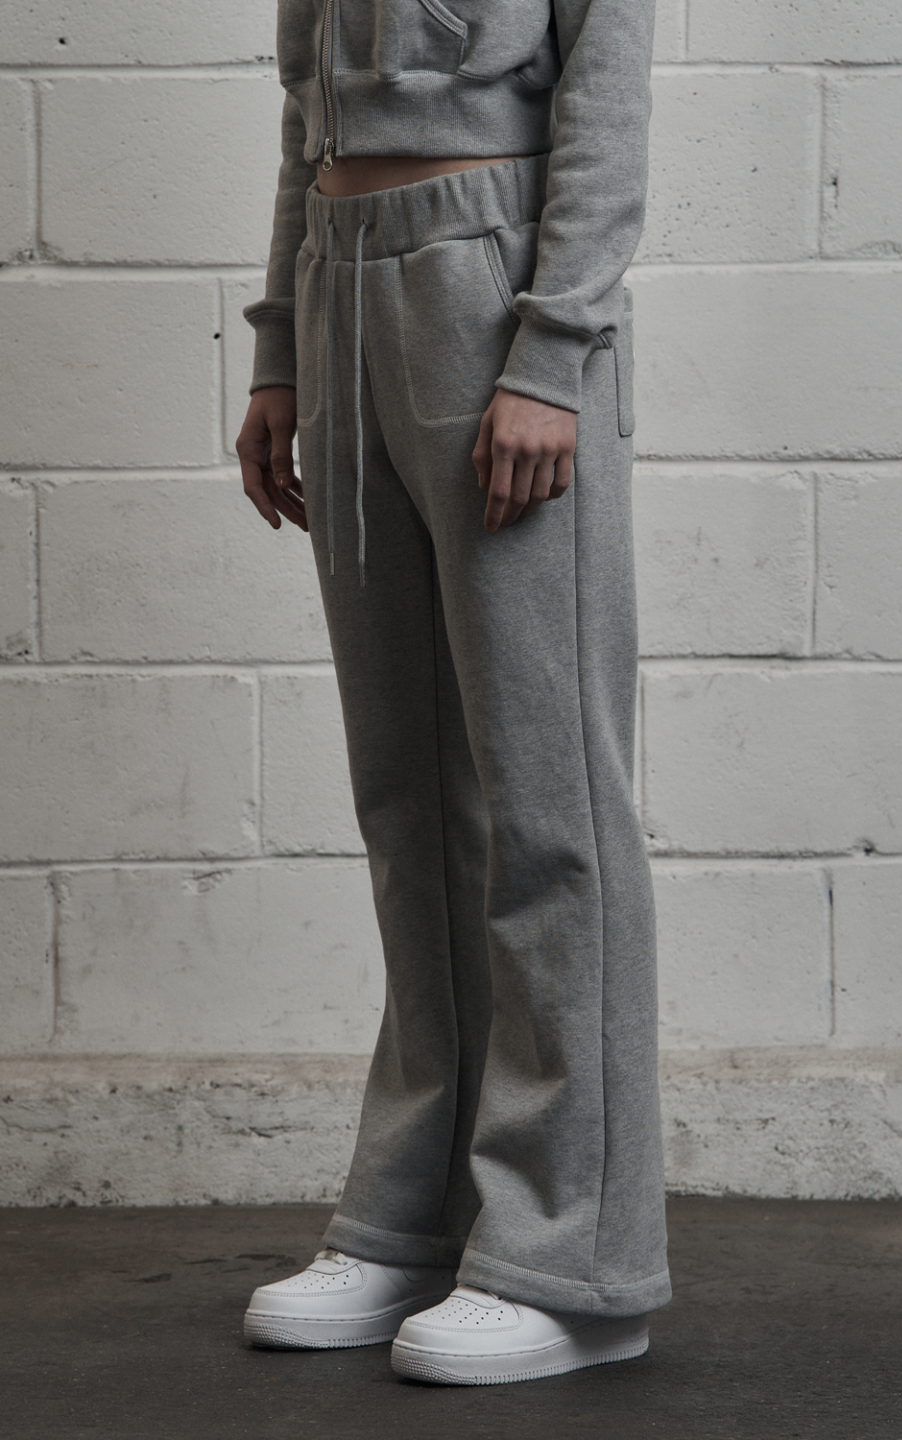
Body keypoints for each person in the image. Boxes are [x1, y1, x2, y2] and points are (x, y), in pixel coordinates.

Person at [235, 0, 669, 1386]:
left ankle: (575, 1262)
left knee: (550, 804)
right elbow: (309, 115)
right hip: (342, 285)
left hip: (495, 292)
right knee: (409, 806)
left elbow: (605, 105)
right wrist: (282, 346)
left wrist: (553, 349)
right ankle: (416, 1215)